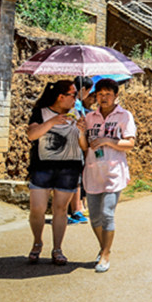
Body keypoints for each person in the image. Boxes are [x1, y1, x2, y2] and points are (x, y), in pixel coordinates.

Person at [25, 79, 86, 266]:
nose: (76, 98)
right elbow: (31, 135)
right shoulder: (41, 113)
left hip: (69, 167)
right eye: (73, 95)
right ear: (61, 97)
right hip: (42, 166)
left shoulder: (78, 113)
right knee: (37, 208)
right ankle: (37, 242)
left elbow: (84, 146)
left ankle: (57, 249)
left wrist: (82, 132)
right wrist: (53, 121)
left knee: (60, 209)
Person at [81, 78, 136, 273]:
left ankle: (105, 254)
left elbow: (130, 144)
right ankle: (103, 246)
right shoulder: (89, 118)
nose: (103, 98)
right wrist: (81, 132)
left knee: (107, 214)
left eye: (108, 94)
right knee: (94, 218)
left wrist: (107, 140)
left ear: (116, 96)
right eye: (100, 94)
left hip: (114, 172)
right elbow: (85, 146)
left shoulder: (124, 116)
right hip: (93, 171)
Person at [66, 75, 95, 225]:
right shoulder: (75, 105)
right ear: (83, 89)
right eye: (88, 92)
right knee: (74, 180)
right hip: (73, 146)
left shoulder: (71, 103)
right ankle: (74, 210)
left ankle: (72, 210)